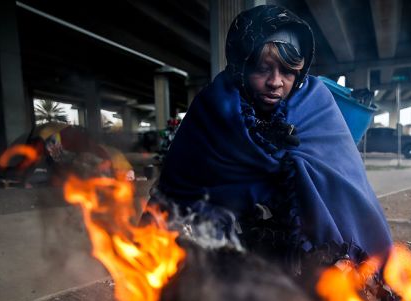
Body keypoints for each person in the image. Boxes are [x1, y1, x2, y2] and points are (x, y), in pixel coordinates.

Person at [152, 5, 393, 286]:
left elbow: (344, 188)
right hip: (231, 255)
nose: (275, 82)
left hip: (306, 253)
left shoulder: (317, 104)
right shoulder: (213, 108)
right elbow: (179, 189)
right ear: (240, 66)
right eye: (262, 69)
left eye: (288, 71)